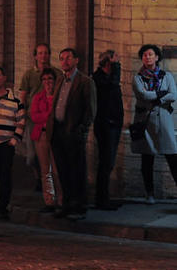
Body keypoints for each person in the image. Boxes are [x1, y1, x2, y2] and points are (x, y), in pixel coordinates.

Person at [47, 47, 96, 218]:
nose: (65, 61)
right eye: (62, 58)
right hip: (58, 131)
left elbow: (90, 110)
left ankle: (79, 205)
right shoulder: (60, 80)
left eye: (68, 58)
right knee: (63, 169)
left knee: (77, 169)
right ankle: (66, 203)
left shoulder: (85, 82)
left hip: (73, 131)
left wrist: (81, 130)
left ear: (76, 60)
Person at [131, 44, 177, 204]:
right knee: (147, 157)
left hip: (164, 119)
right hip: (146, 120)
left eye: (150, 54)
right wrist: (161, 94)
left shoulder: (167, 76)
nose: (148, 57)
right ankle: (149, 193)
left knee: (172, 156)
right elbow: (142, 94)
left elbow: (173, 95)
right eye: (144, 55)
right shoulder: (138, 77)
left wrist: (158, 98)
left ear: (157, 57)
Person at [18, 43, 62, 191]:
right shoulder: (29, 75)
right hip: (34, 120)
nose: (43, 56)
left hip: (52, 119)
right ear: (36, 56)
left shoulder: (56, 73)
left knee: (53, 156)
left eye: (46, 53)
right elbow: (23, 96)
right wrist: (22, 116)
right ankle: (39, 177)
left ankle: (52, 188)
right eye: (40, 53)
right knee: (31, 156)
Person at [0, 66, 25, 220]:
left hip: (6, 143)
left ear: (4, 77)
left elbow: (21, 120)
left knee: (5, 176)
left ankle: (3, 206)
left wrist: (15, 139)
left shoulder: (15, 100)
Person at [92, 50, 124, 210]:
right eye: (115, 62)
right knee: (106, 162)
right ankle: (101, 199)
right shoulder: (99, 79)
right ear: (108, 63)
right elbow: (112, 85)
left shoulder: (106, 79)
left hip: (113, 124)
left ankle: (104, 197)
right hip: (106, 125)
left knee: (108, 162)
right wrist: (116, 66)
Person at [30, 68, 61, 210]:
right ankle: (49, 199)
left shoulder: (58, 97)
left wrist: (46, 115)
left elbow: (58, 115)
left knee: (57, 168)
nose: (47, 82)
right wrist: (48, 116)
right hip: (41, 135)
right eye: (45, 79)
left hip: (55, 134)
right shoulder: (38, 97)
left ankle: (61, 199)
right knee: (45, 169)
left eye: (50, 79)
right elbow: (34, 116)